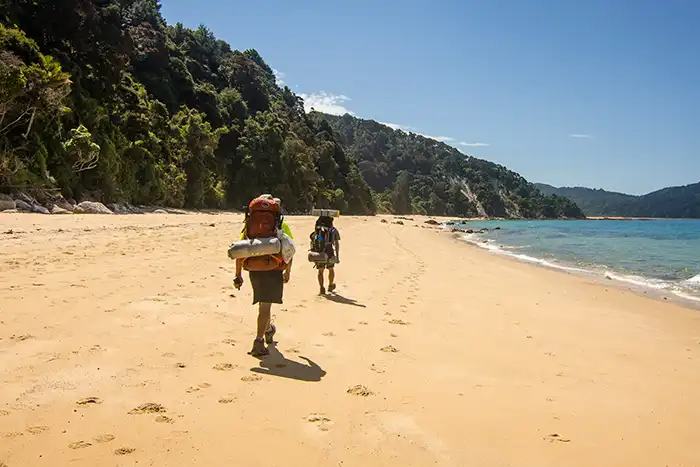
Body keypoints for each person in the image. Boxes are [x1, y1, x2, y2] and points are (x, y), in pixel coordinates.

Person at [234, 195, 294, 357]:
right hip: (273, 268)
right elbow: (289, 251)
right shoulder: (281, 225)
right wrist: (287, 271)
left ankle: (268, 329)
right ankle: (259, 342)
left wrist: (238, 275)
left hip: (253, 268)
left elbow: (240, 250)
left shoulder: (249, 226)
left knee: (263, 304)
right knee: (265, 306)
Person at [310, 215, 340, 295]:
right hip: (329, 251)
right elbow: (336, 243)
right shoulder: (333, 230)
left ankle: (321, 288)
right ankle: (330, 285)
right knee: (331, 269)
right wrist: (337, 256)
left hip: (319, 251)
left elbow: (314, 239)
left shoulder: (317, 230)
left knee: (320, 271)